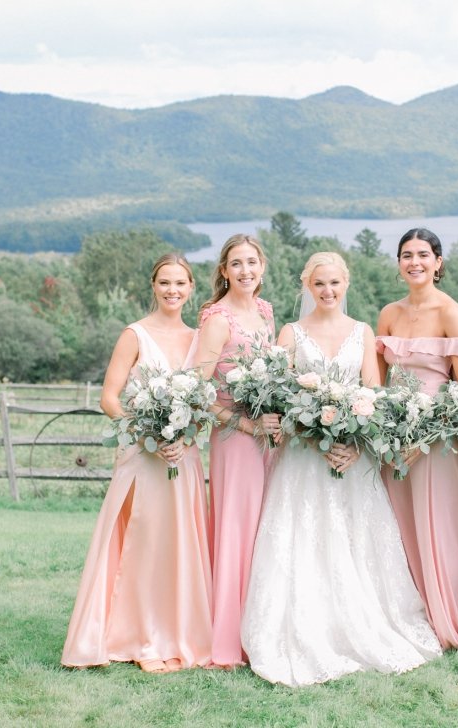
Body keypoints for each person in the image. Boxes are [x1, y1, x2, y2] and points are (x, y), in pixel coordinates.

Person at [241, 252, 441, 686]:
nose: (327, 291)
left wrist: (353, 444)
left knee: (353, 541)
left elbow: (374, 393)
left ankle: (366, 623)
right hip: (303, 459)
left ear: (346, 283)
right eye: (319, 285)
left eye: (334, 283)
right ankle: (307, 628)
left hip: (352, 456)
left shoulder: (363, 332)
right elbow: (278, 398)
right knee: (305, 541)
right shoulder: (290, 333)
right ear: (307, 287)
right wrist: (314, 437)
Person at [62, 253, 212, 673]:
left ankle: (177, 634)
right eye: (165, 282)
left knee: (178, 542)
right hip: (140, 455)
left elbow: (205, 400)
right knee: (143, 541)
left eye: (180, 283)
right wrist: (147, 433)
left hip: (182, 456)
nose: (172, 290)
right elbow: (108, 398)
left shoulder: (199, 340)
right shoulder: (135, 335)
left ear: (191, 287)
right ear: (153, 285)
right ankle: (143, 638)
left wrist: (183, 435)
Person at [376, 228, 458, 651]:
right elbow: (378, 383)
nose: (414, 262)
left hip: (435, 440)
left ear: (438, 262)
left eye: (422, 254)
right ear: (398, 263)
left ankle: (445, 620)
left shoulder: (449, 312)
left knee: (437, 526)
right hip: (394, 438)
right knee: (399, 527)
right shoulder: (388, 313)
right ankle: (406, 615)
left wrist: (426, 435)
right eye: (406, 255)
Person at [192, 233, 279, 669]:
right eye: (236, 263)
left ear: (262, 267)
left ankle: (259, 626)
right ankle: (229, 638)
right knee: (236, 529)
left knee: (263, 530)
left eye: (252, 262)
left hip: (267, 439)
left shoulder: (265, 313)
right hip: (234, 439)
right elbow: (198, 390)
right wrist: (245, 423)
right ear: (224, 271)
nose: (245, 271)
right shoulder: (218, 320)